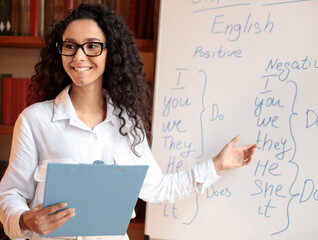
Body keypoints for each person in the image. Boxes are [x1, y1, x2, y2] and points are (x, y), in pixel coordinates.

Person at [0, 3, 257, 240]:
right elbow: (10, 193)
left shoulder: (128, 124)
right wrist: (25, 220)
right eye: (70, 46)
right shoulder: (35, 120)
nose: (78, 57)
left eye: (92, 46)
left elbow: (159, 188)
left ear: (110, 53)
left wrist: (218, 164)